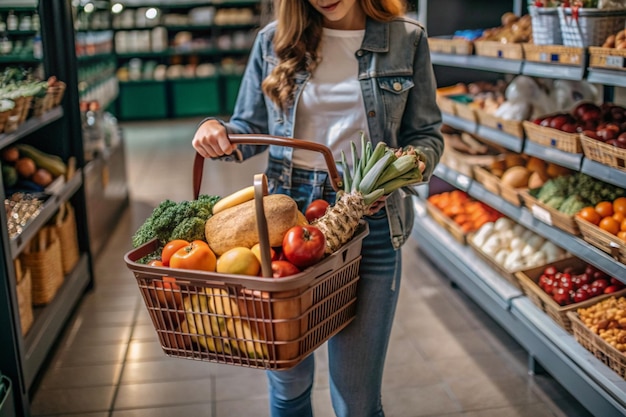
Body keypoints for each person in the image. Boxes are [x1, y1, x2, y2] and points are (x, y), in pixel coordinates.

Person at [192, 0, 444, 415]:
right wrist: (214, 130)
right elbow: (249, 126)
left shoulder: (407, 39)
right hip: (284, 218)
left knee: (357, 397)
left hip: (369, 217)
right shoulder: (273, 41)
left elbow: (426, 134)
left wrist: (412, 162)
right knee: (288, 384)